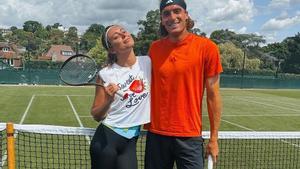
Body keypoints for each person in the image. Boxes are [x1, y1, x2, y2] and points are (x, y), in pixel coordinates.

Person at [145, 0, 223, 169]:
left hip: (189, 137)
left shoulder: (207, 48)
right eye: (166, 13)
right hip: (157, 135)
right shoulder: (154, 49)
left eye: (177, 11)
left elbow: (213, 96)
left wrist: (214, 139)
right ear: (161, 19)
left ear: (186, 15)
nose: (172, 17)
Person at [90, 25, 151, 169]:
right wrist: (108, 100)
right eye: (116, 36)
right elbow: (96, 115)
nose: (123, 35)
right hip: (106, 141)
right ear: (112, 49)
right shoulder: (105, 74)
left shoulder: (148, 62)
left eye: (123, 31)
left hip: (130, 142)